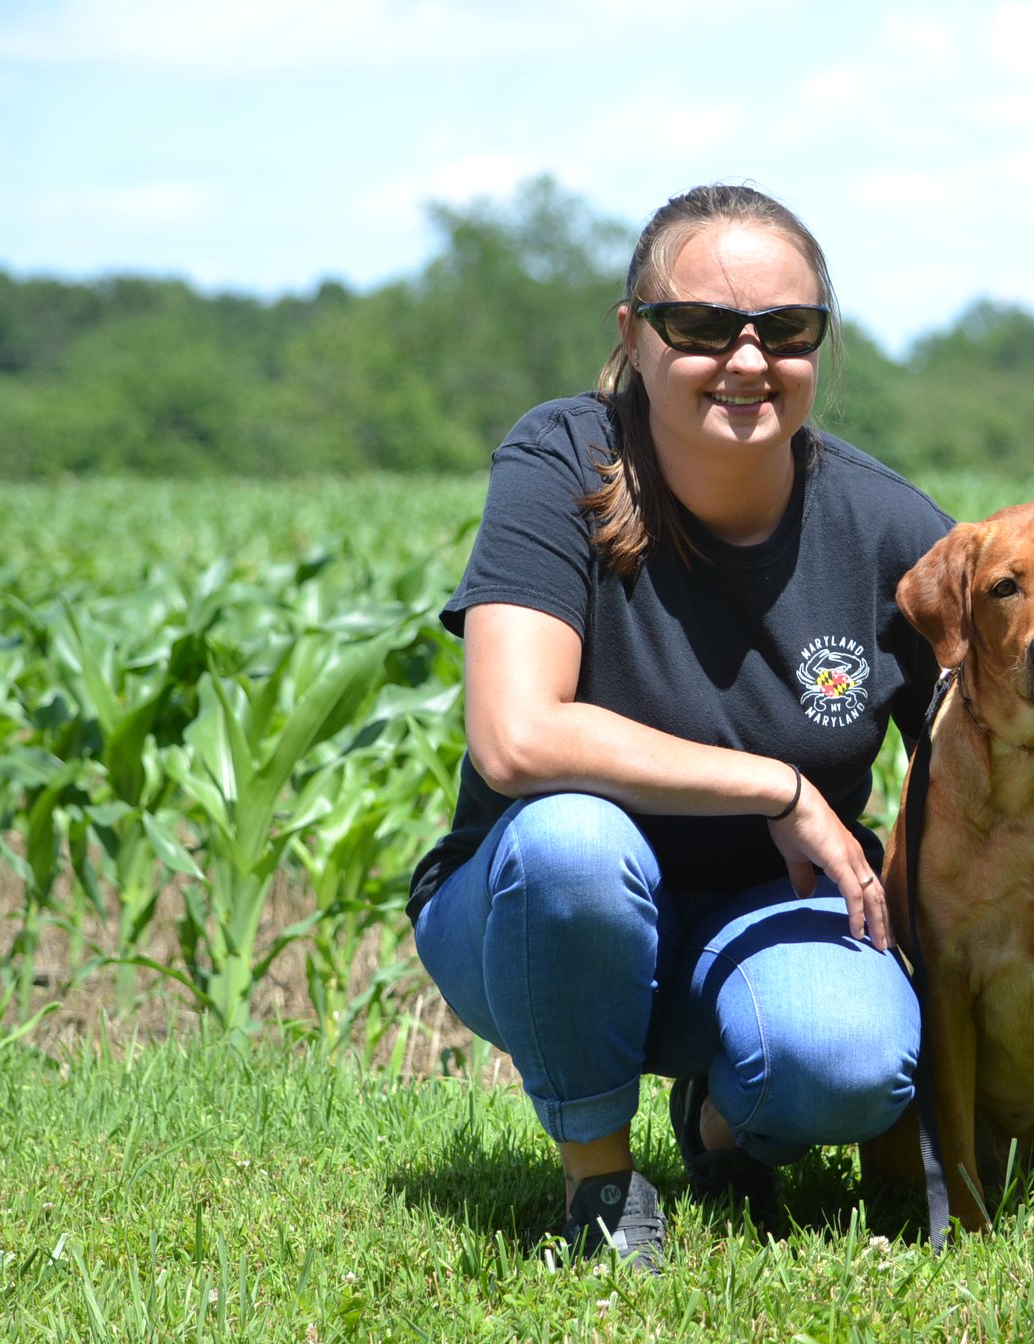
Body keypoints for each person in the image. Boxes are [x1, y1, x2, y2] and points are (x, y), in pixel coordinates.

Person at [405, 183, 953, 1270]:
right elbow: (516, 740)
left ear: (818, 346)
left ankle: (719, 1121)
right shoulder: (562, 459)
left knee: (847, 1061)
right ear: (634, 337)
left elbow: (996, 734)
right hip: (535, 914)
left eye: (786, 331)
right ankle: (602, 1185)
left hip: (762, 912)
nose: (747, 360)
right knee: (573, 840)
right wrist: (779, 787)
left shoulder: (887, 525)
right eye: (701, 327)